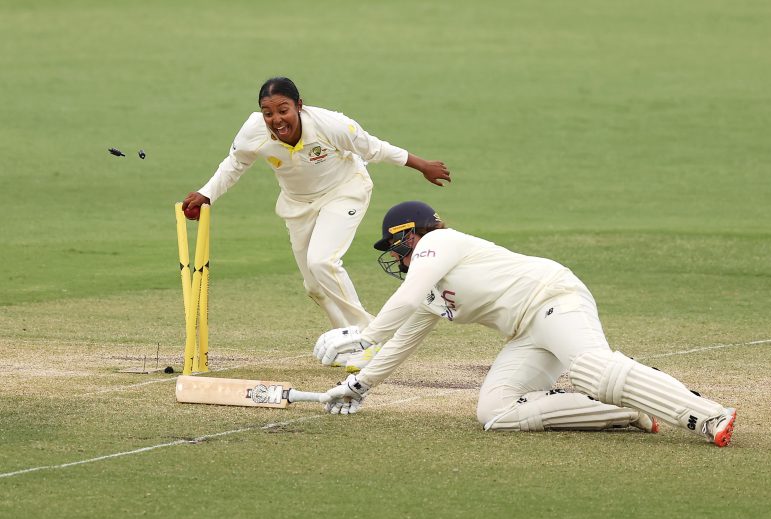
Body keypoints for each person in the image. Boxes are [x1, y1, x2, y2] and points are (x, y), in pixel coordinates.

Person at [313, 201, 738, 447]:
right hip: (525, 333)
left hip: (554, 299)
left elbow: (402, 300)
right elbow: (403, 342)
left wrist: (363, 334)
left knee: (592, 367)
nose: (396, 256)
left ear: (412, 235)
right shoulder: (426, 292)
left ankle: (708, 416)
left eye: (395, 245)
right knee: (495, 413)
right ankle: (625, 408)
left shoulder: (440, 242)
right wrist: (357, 387)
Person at [182, 77, 451, 331]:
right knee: (314, 286)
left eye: (283, 110)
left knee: (322, 262)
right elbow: (235, 164)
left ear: (299, 106)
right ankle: (344, 337)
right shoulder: (253, 131)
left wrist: (422, 166)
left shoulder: (331, 125)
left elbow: (374, 148)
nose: (276, 119)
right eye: (268, 113)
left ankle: (369, 336)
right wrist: (206, 194)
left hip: (344, 192)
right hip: (297, 204)